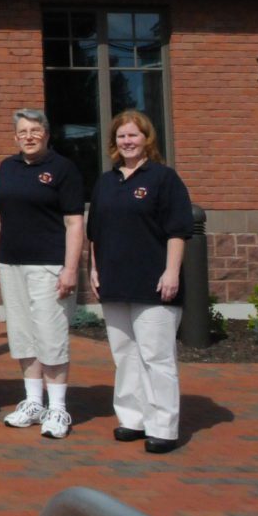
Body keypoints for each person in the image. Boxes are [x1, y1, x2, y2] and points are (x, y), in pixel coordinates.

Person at [89, 110, 194, 454]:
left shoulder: (164, 179)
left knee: (156, 356)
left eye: (133, 135)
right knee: (125, 354)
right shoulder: (106, 182)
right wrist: (94, 269)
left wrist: (171, 272)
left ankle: (163, 426)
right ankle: (132, 419)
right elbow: (95, 233)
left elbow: (178, 230)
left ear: (147, 139)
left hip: (154, 282)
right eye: (121, 136)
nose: (127, 141)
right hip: (114, 281)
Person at [0, 108, 85, 440]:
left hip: (49, 266)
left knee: (50, 335)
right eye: (23, 132)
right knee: (23, 336)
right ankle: (33, 402)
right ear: (15, 137)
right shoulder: (7, 168)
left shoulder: (63, 169)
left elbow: (74, 222)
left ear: (46, 134)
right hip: (11, 264)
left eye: (35, 130)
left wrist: (70, 268)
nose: (29, 137)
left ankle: (57, 408)